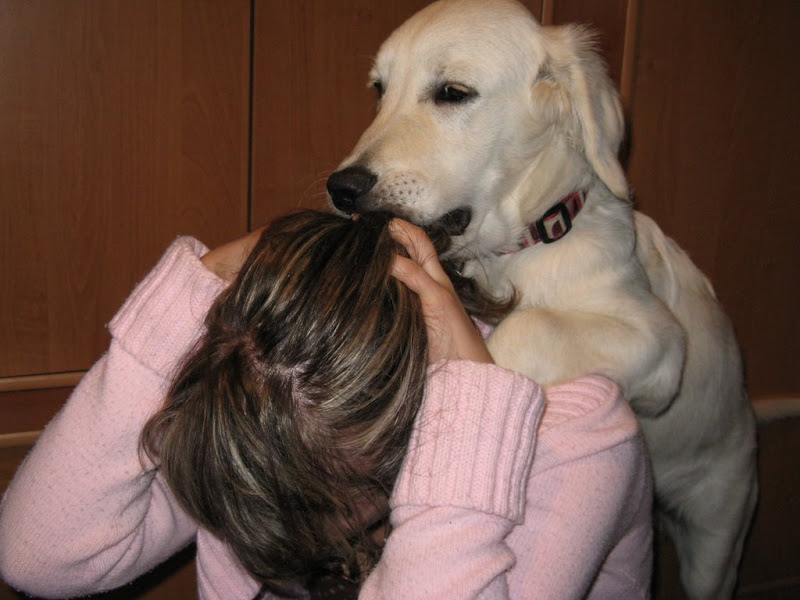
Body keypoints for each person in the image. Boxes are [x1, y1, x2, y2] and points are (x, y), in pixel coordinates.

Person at [0, 211, 654, 599]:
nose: (260, 537)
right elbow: (37, 556)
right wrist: (185, 301)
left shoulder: (573, 440)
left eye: (318, 507)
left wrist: (467, 425)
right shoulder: (263, 409)